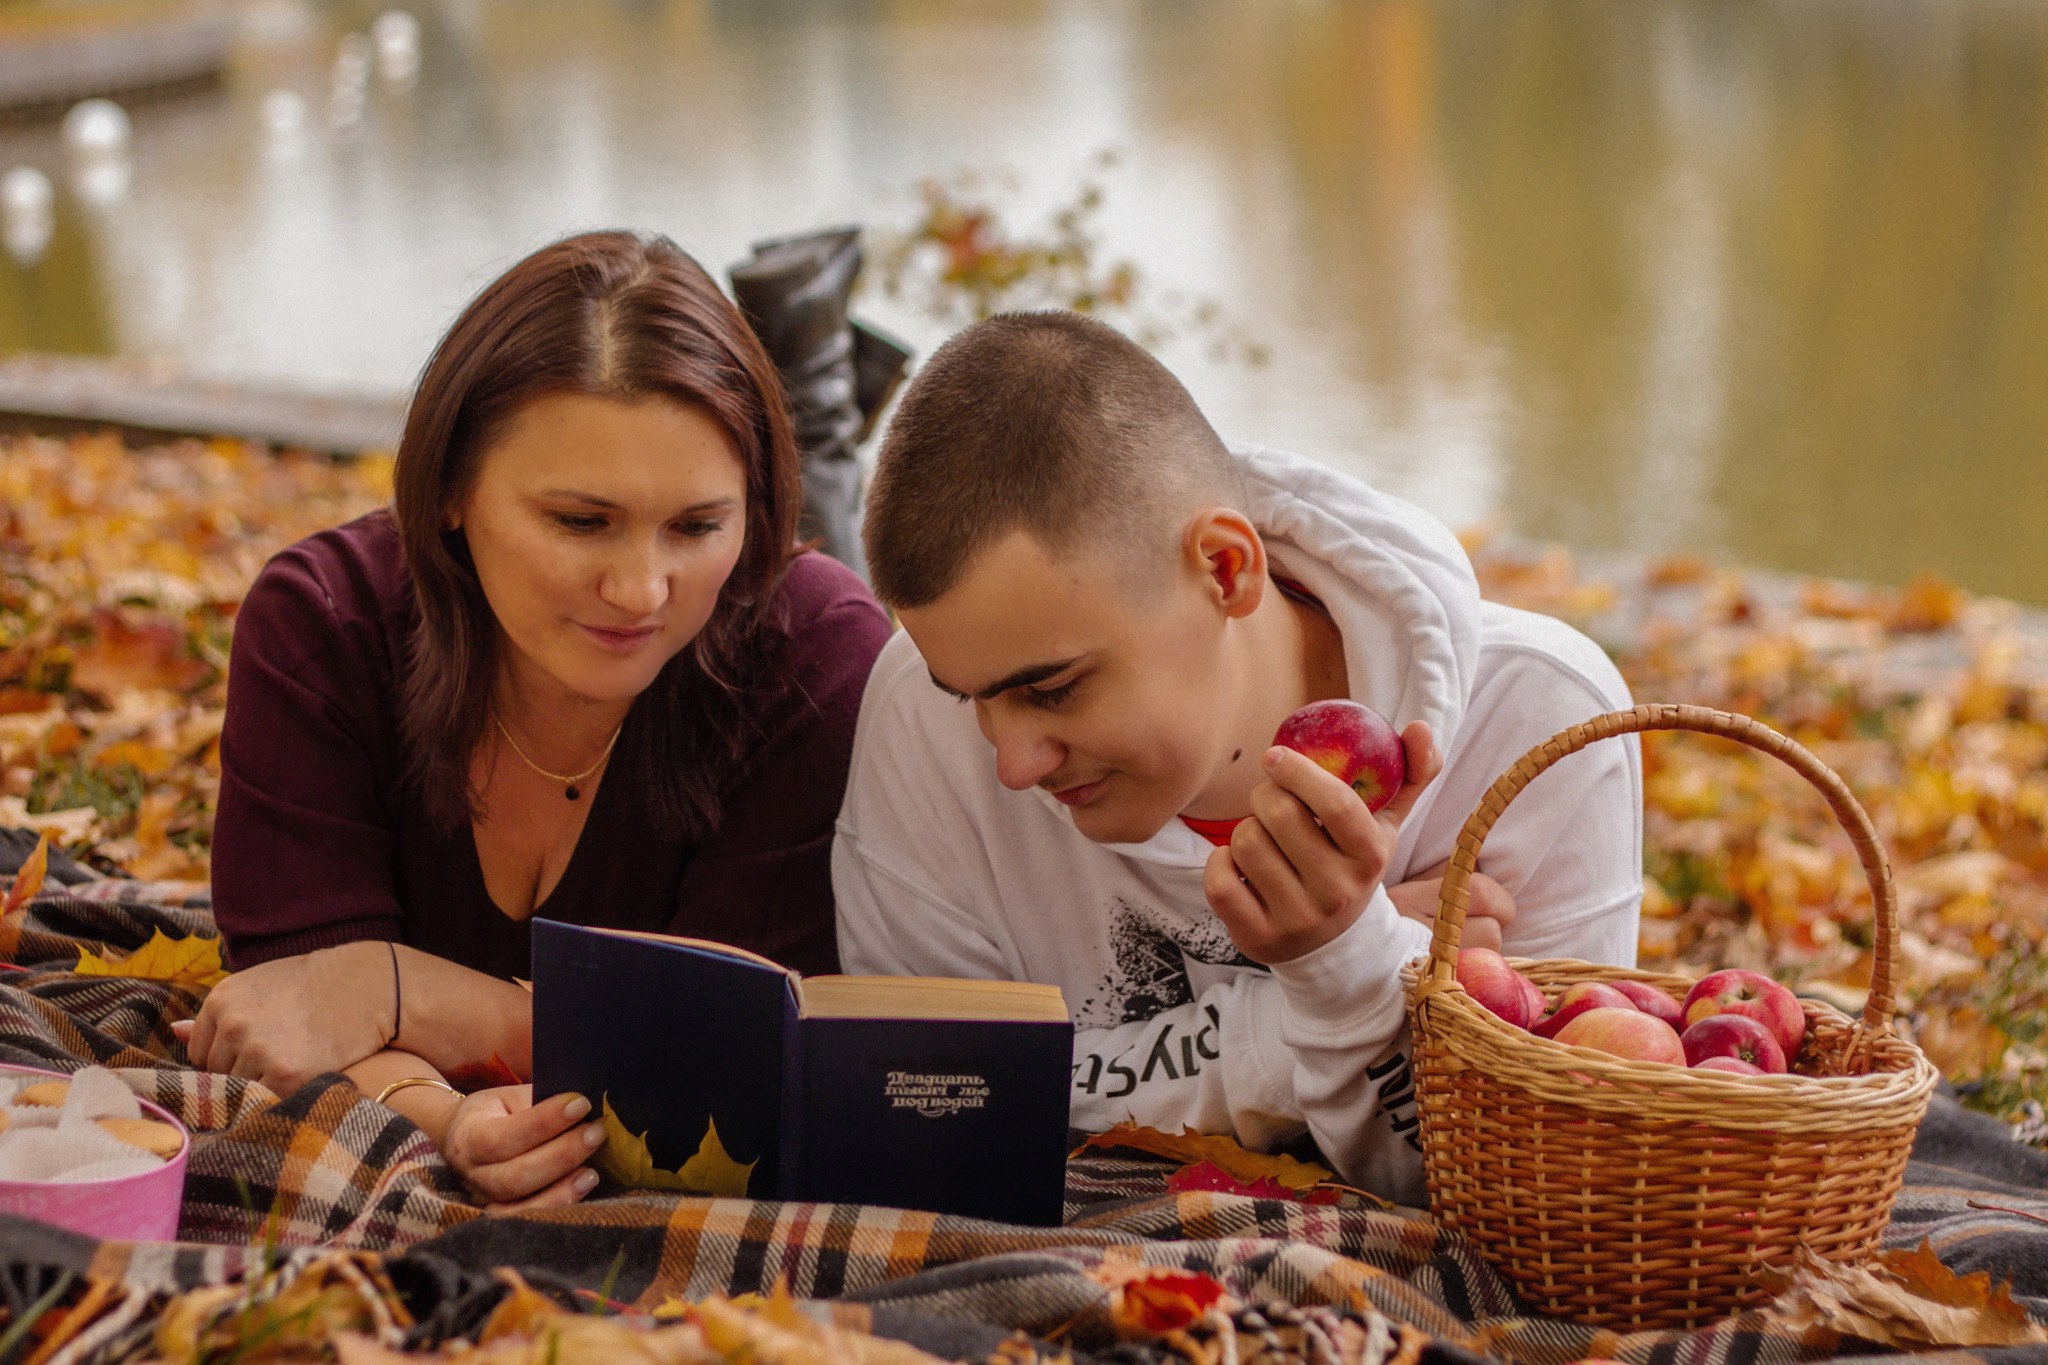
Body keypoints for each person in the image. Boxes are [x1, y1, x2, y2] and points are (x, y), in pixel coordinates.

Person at [832, 312, 1642, 1204]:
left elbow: (1544, 1192)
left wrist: (1349, 968)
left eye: (1054, 689)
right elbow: (917, 1114)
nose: (1012, 763)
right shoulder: (918, 702)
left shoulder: (1540, 723)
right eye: (971, 697)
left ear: (1225, 568)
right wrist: (1317, 1007)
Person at [178, 232, 893, 1210]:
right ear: (448, 494)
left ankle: (813, 400)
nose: (641, 589)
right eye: (579, 521)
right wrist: (440, 1116)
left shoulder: (814, 655)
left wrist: (401, 990)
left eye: (696, 525)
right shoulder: (323, 627)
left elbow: (727, 1045)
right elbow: (293, 1010)